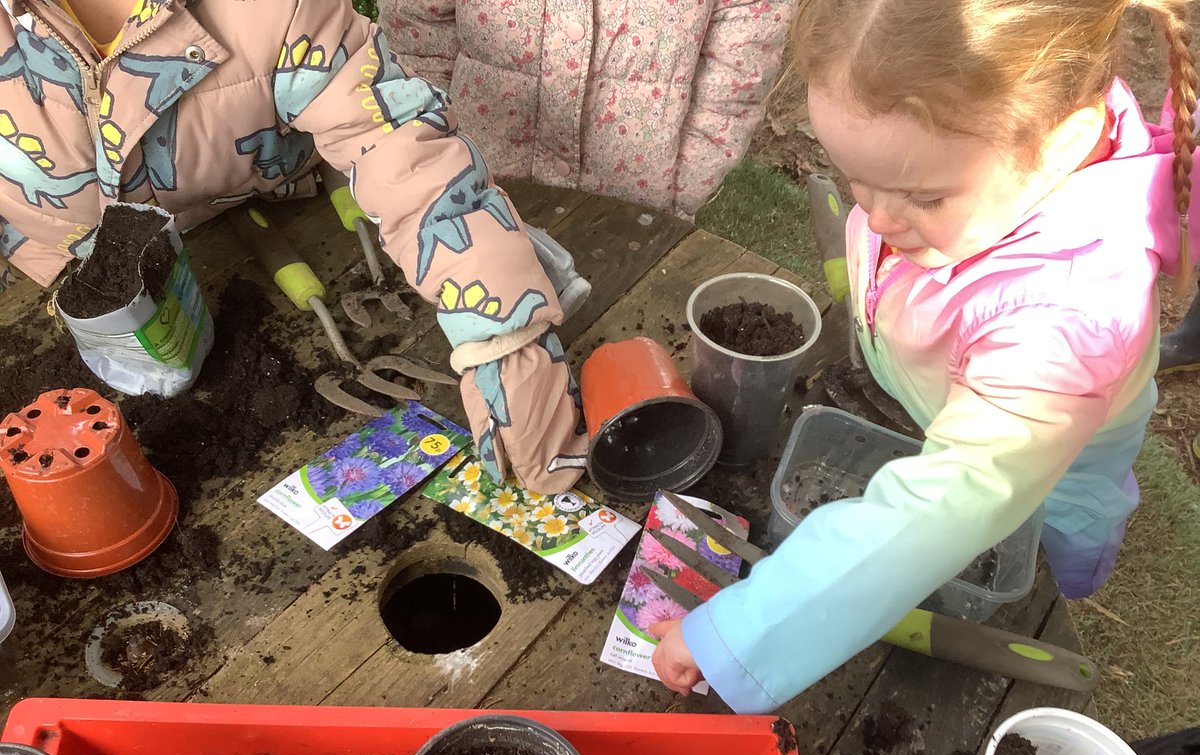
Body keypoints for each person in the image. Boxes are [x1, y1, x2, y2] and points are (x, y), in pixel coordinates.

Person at [649, 0, 1199, 713]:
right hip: (955, 393)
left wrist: (739, 632)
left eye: (921, 194)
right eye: (855, 179)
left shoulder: (1066, 324)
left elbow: (936, 516)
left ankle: (1070, 584)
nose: (876, 219)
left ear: (1063, 145)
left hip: (1059, 470)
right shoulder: (1001, 150)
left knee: (1042, 553)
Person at [0, 0, 587, 493]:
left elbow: (400, 149)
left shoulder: (273, 7)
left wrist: (503, 329)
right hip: (73, 297)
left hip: (278, 200)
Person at [378, 0, 795, 218]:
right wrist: (440, 138)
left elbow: (740, 67)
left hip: (635, 204)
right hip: (478, 185)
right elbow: (415, 26)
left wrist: (687, 182)